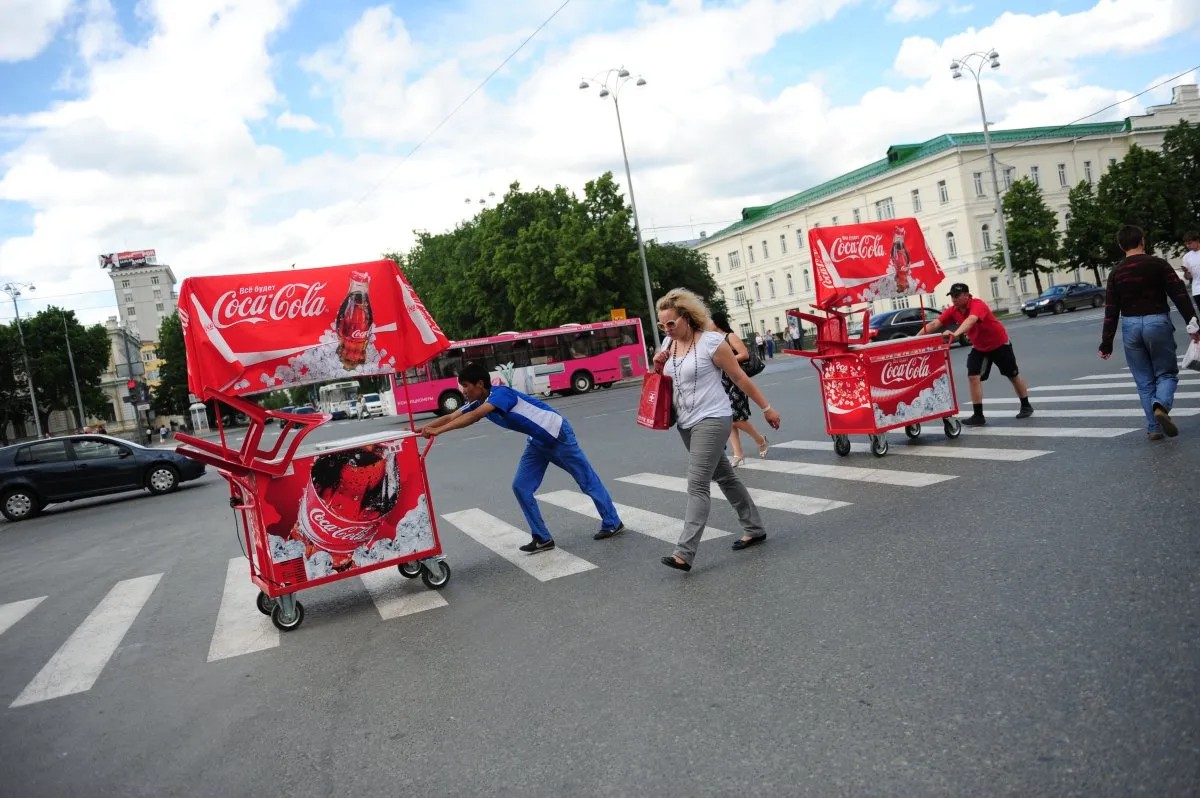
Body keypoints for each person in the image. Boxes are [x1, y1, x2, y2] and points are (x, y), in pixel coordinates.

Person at [417, 362, 624, 552]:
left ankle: (613, 522)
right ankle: (543, 538)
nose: (463, 391)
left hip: (557, 434)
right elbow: (452, 416)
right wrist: (420, 429)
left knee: (586, 480)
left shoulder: (500, 395)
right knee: (521, 487)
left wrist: (439, 431)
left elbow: (474, 417)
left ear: (480, 384)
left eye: (466, 386)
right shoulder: (478, 400)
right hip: (537, 441)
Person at [654, 289, 782, 573]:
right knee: (723, 474)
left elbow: (739, 377)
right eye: (663, 325)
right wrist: (657, 364)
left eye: (671, 323)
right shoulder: (668, 344)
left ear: (686, 318)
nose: (667, 329)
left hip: (713, 417)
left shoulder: (712, 342)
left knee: (697, 483)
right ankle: (754, 527)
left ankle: (684, 553)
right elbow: (662, 379)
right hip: (685, 421)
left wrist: (767, 408)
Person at [1099, 225, 1200, 440]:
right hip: (1157, 322)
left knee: (1144, 381)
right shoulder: (1158, 265)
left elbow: (1111, 311)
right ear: (1143, 241)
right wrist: (1193, 325)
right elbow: (1179, 295)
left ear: (1120, 245)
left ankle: (1154, 428)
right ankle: (1161, 404)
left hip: (1130, 327)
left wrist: (1106, 343)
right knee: (1166, 373)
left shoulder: (1116, 272)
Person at [920, 283, 1033, 426]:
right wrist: (914, 339)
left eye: (957, 296)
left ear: (967, 295)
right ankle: (978, 416)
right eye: (952, 296)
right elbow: (935, 323)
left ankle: (1026, 405)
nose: (954, 299)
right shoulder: (953, 310)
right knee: (973, 376)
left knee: (1012, 375)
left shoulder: (977, 304)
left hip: (999, 344)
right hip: (980, 347)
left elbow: (971, 320)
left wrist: (955, 334)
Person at [710, 311, 770, 467]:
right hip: (723, 382)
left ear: (716, 322)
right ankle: (738, 454)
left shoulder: (730, 337)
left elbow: (744, 354)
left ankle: (760, 440)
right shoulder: (714, 340)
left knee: (737, 418)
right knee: (728, 419)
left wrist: (726, 360)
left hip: (736, 381)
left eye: (710, 321)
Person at [1181, 231, 1200, 315]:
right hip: (1197, 290)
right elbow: (1188, 277)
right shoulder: (1186, 257)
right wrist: (1186, 273)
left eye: (1190, 243)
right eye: (1186, 244)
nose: (1188, 246)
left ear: (1197, 240)